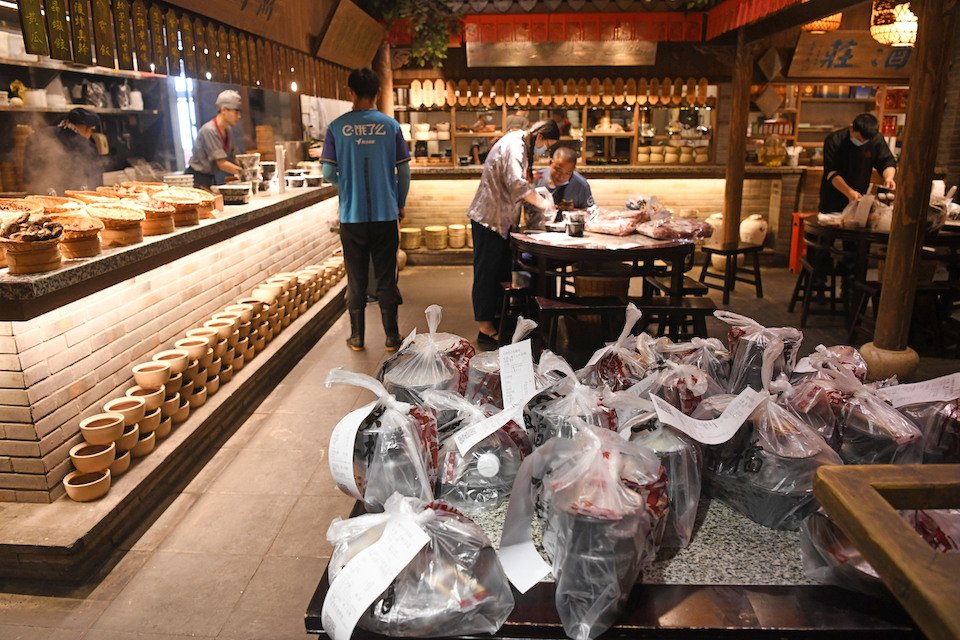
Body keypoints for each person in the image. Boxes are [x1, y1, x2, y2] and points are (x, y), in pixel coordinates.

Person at [321, 68, 411, 353]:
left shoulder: (337, 128)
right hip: (386, 215)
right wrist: (399, 202)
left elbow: (326, 173)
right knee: (386, 275)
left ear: (350, 92)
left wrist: (346, 181)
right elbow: (404, 171)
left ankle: (357, 337)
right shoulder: (391, 126)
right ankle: (392, 336)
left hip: (352, 216)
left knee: (356, 276)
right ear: (378, 93)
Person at [466, 119, 561, 350]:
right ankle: (485, 327)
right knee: (487, 273)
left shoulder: (521, 144)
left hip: (501, 221)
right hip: (489, 219)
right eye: (546, 144)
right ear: (539, 136)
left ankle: (497, 320)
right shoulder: (514, 145)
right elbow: (516, 185)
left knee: (500, 272)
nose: (544, 150)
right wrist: (544, 204)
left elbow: (516, 178)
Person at [820, 113, 897, 213]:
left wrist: (888, 178)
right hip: (834, 196)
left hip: (861, 196)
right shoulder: (834, 140)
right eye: (859, 139)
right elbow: (831, 172)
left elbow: (887, 161)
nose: (862, 143)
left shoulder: (875, 139)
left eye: (866, 141)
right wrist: (849, 192)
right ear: (851, 128)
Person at [23, 107, 102, 195]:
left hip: (41, 197)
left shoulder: (38, 136)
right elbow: (96, 183)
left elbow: (28, 176)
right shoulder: (88, 146)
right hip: (73, 202)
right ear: (89, 129)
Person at [186, 89, 243, 189]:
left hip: (210, 178)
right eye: (236, 112)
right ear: (224, 110)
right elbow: (221, 164)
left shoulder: (228, 129)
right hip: (197, 179)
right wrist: (245, 173)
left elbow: (235, 156)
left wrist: (248, 166)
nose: (239, 116)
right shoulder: (209, 130)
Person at [533, 146, 595, 212]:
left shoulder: (581, 185)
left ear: (573, 170)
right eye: (558, 170)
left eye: (567, 173)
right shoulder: (536, 178)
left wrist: (573, 211)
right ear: (551, 163)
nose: (561, 176)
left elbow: (591, 212)